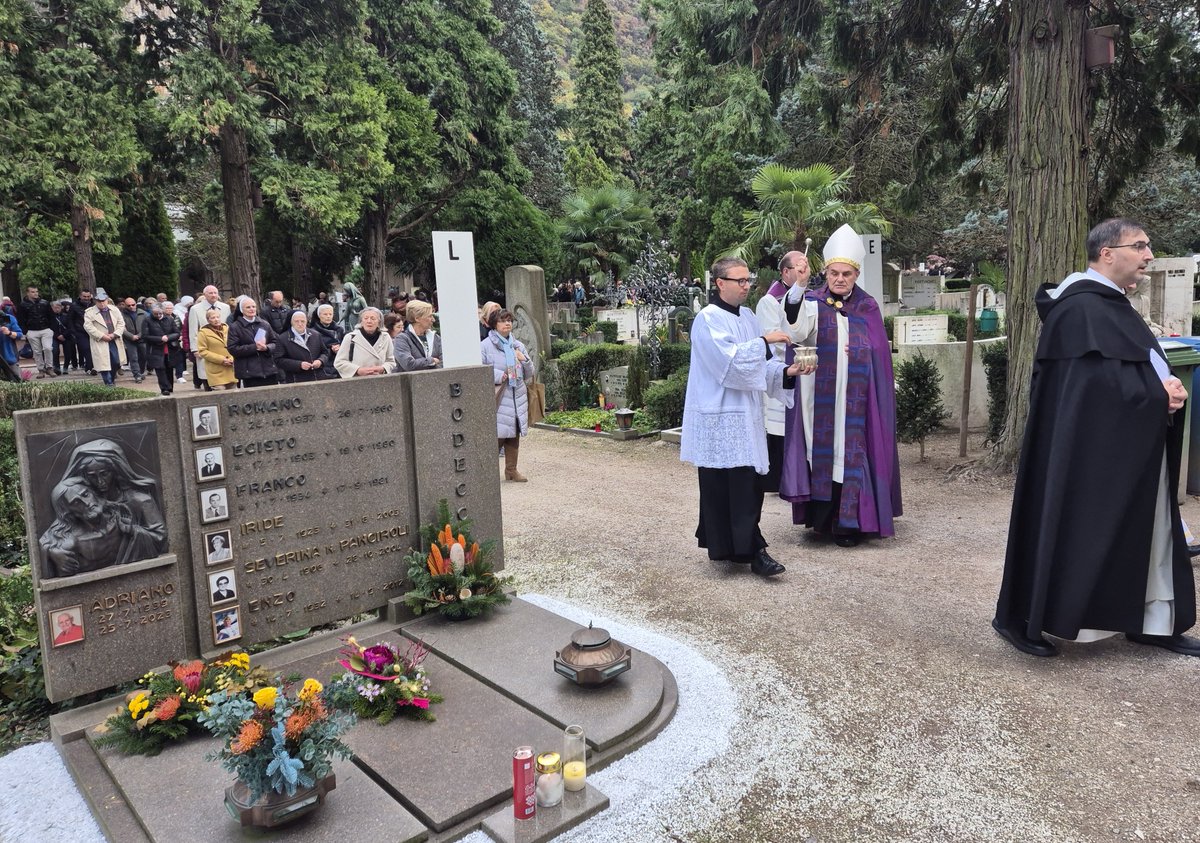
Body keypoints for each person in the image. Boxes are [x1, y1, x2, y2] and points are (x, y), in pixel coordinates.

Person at [993, 217, 1199, 658]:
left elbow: (1136, 366)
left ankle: (1152, 620)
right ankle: (1031, 620)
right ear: (1107, 253)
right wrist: (1153, 393)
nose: (1148, 256)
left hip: (1134, 445)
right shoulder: (1079, 309)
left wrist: (1169, 388)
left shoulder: (1113, 305)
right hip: (1088, 455)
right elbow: (1087, 391)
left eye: (1149, 247)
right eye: (1140, 246)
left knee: (1153, 529)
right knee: (1076, 527)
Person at [778, 224, 902, 548]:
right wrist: (798, 289)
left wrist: (862, 350)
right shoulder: (814, 302)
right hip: (820, 401)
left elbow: (878, 352)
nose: (839, 279)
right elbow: (795, 328)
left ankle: (849, 524)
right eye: (834, 273)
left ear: (856, 274)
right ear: (825, 271)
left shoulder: (868, 307)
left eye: (846, 273)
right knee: (822, 455)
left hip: (855, 402)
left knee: (852, 457)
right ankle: (821, 520)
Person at [680, 257, 804, 578]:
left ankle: (742, 547)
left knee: (748, 485)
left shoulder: (748, 317)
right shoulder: (707, 319)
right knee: (721, 487)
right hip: (719, 419)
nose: (747, 286)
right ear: (720, 283)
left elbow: (760, 368)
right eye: (741, 281)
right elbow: (730, 365)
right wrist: (765, 342)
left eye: (748, 280)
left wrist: (787, 371)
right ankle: (751, 550)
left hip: (746, 417)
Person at [755, 250, 812, 494]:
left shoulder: (810, 298)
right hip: (783, 369)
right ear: (785, 272)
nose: (803, 271)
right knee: (780, 426)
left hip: (807, 369)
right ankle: (778, 479)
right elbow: (772, 339)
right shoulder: (769, 301)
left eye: (806, 266)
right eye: (797, 267)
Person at [481, 308, 535, 482]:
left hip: (516, 393)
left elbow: (529, 373)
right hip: (499, 395)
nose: (507, 324)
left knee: (514, 431)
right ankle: (486, 474)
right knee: (497, 434)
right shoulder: (485, 346)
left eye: (510, 320)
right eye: (503, 321)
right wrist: (499, 375)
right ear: (494, 324)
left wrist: (524, 359)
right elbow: (480, 371)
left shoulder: (518, 345)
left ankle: (511, 470)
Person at [226, 297, 279, 388]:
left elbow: (276, 343)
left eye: (253, 306)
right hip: (249, 372)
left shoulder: (264, 324)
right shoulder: (235, 327)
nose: (252, 309)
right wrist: (254, 347)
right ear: (242, 310)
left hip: (269, 370)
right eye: (248, 307)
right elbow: (233, 349)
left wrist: (267, 348)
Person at [187, 285, 231, 389]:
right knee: (207, 376)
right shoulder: (195, 309)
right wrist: (194, 349)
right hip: (205, 345)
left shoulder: (225, 307)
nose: (213, 295)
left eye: (215, 293)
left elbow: (229, 328)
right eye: (210, 293)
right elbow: (193, 331)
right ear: (205, 295)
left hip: (223, 347)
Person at [334, 307, 396, 378]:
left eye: (373, 318)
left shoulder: (385, 337)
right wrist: (358, 370)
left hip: (379, 380)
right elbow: (339, 362)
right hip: (357, 382)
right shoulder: (350, 337)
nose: (369, 321)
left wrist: (382, 369)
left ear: (379, 322)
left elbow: (391, 361)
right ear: (361, 322)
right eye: (366, 318)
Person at [83, 289, 128, 386]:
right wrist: (102, 336)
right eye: (99, 301)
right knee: (103, 364)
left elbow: (121, 323)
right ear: (95, 301)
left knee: (116, 361)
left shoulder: (114, 309)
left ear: (107, 300)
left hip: (114, 339)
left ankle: (111, 379)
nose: (102, 303)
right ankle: (108, 383)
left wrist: (115, 334)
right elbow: (88, 327)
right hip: (101, 341)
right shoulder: (89, 312)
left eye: (103, 301)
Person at [273, 310, 328, 383]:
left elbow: (325, 353)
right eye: (296, 321)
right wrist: (299, 365)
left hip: (318, 377)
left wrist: (320, 361)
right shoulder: (283, 338)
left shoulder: (316, 335)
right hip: (296, 379)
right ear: (291, 322)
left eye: (302, 321)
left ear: (306, 322)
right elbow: (278, 360)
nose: (300, 324)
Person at [16, 285, 56, 378]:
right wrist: (25, 332)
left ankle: (49, 368)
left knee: (48, 348)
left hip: (46, 329)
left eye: (36, 291)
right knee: (36, 351)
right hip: (32, 331)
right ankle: (41, 370)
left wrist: (51, 329)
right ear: (28, 293)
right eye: (33, 292)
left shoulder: (45, 303)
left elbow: (52, 317)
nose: (35, 293)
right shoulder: (22, 305)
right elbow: (21, 319)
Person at [142, 304, 180, 395]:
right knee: (160, 368)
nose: (158, 315)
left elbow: (177, 333)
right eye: (156, 314)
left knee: (169, 367)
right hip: (155, 348)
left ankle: (170, 386)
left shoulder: (169, 319)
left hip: (169, 347)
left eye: (160, 313)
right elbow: (145, 336)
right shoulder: (147, 320)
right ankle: (164, 388)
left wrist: (168, 337)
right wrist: (160, 339)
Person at [394, 300, 443, 371]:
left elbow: (444, 362)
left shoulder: (436, 338)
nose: (433, 320)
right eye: (430, 316)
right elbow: (409, 365)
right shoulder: (402, 339)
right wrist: (431, 361)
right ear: (417, 318)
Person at [196, 307, 236, 390]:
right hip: (216, 370)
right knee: (220, 394)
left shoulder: (228, 329)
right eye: (213, 318)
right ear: (208, 320)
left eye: (218, 317)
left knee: (233, 395)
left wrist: (232, 358)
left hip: (230, 368)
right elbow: (203, 351)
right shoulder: (203, 332)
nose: (216, 320)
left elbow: (234, 345)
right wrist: (221, 359)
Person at [311, 303, 345, 379]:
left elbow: (346, 345)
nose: (328, 316)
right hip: (323, 365)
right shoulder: (313, 332)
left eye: (330, 314)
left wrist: (341, 347)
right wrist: (331, 350)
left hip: (339, 363)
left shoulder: (339, 330)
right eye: (325, 314)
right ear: (319, 315)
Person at [120, 297, 147, 383]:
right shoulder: (121, 315)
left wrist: (139, 335)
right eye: (129, 305)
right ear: (125, 305)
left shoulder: (143, 314)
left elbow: (146, 327)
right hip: (129, 339)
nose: (131, 307)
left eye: (133, 304)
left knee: (143, 356)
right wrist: (131, 336)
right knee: (133, 357)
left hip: (142, 338)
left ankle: (141, 372)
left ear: (136, 304)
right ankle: (137, 375)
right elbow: (121, 328)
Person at [69, 289, 95, 374]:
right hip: (80, 331)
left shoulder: (94, 305)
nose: (86, 298)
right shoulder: (74, 306)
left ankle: (90, 367)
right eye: (84, 296)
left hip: (93, 331)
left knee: (93, 349)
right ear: (80, 296)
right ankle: (90, 368)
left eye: (88, 296)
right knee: (86, 348)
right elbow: (70, 320)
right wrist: (74, 332)